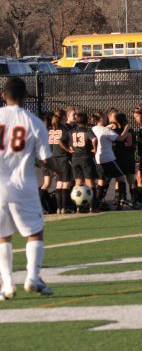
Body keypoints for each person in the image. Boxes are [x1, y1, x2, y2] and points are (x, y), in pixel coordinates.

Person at [0, 77, 55, 298]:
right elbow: (45, 158)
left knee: (3, 237)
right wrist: (57, 169)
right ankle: (32, 277)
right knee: (35, 232)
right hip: (24, 185)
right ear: (24, 97)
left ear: (4, 95)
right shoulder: (33, 122)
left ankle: (7, 284)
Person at [90, 112, 130, 210]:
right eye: (105, 117)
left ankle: (97, 203)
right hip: (109, 158)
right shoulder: (105, 130)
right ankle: (120, 202)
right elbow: (121, 138)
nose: (107, 119)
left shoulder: (93, 129)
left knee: (102, 181)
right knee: (121, 178)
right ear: (101, 118)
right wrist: (126, 128)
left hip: (98, 159)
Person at [63, 112, 97, 213]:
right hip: (86, 158)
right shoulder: (87, 130)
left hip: (75, 158)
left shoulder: (71, 131)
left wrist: (68, 150)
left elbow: (60, 140)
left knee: (78, 184)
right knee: (90, 183)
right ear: (86, 120)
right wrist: (95, 149)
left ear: (77, 121)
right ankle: (92, 206)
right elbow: (94, 139)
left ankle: (78, 207)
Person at [48, 110, 73, 214]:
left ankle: (58, 208)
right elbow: (61, 141)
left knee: (59, 184)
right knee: (65, 183)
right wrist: (69, 150)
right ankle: (64, 208)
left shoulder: (51, 129)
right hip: (63, 157)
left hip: (54, 158)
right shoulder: (63, 128)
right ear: (63, 117)